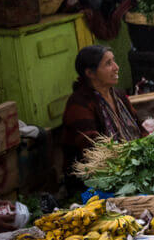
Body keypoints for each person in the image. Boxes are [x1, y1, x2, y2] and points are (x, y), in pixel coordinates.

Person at [61, 46, 144, 194]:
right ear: (90, 73)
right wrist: (129, 160)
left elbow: (139, 127)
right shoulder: (79, 103)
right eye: (108, 63)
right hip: (97, 177)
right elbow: (92, 148)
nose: (116, 67)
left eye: (114, 61)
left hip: (130, 164)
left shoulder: (117, 95)